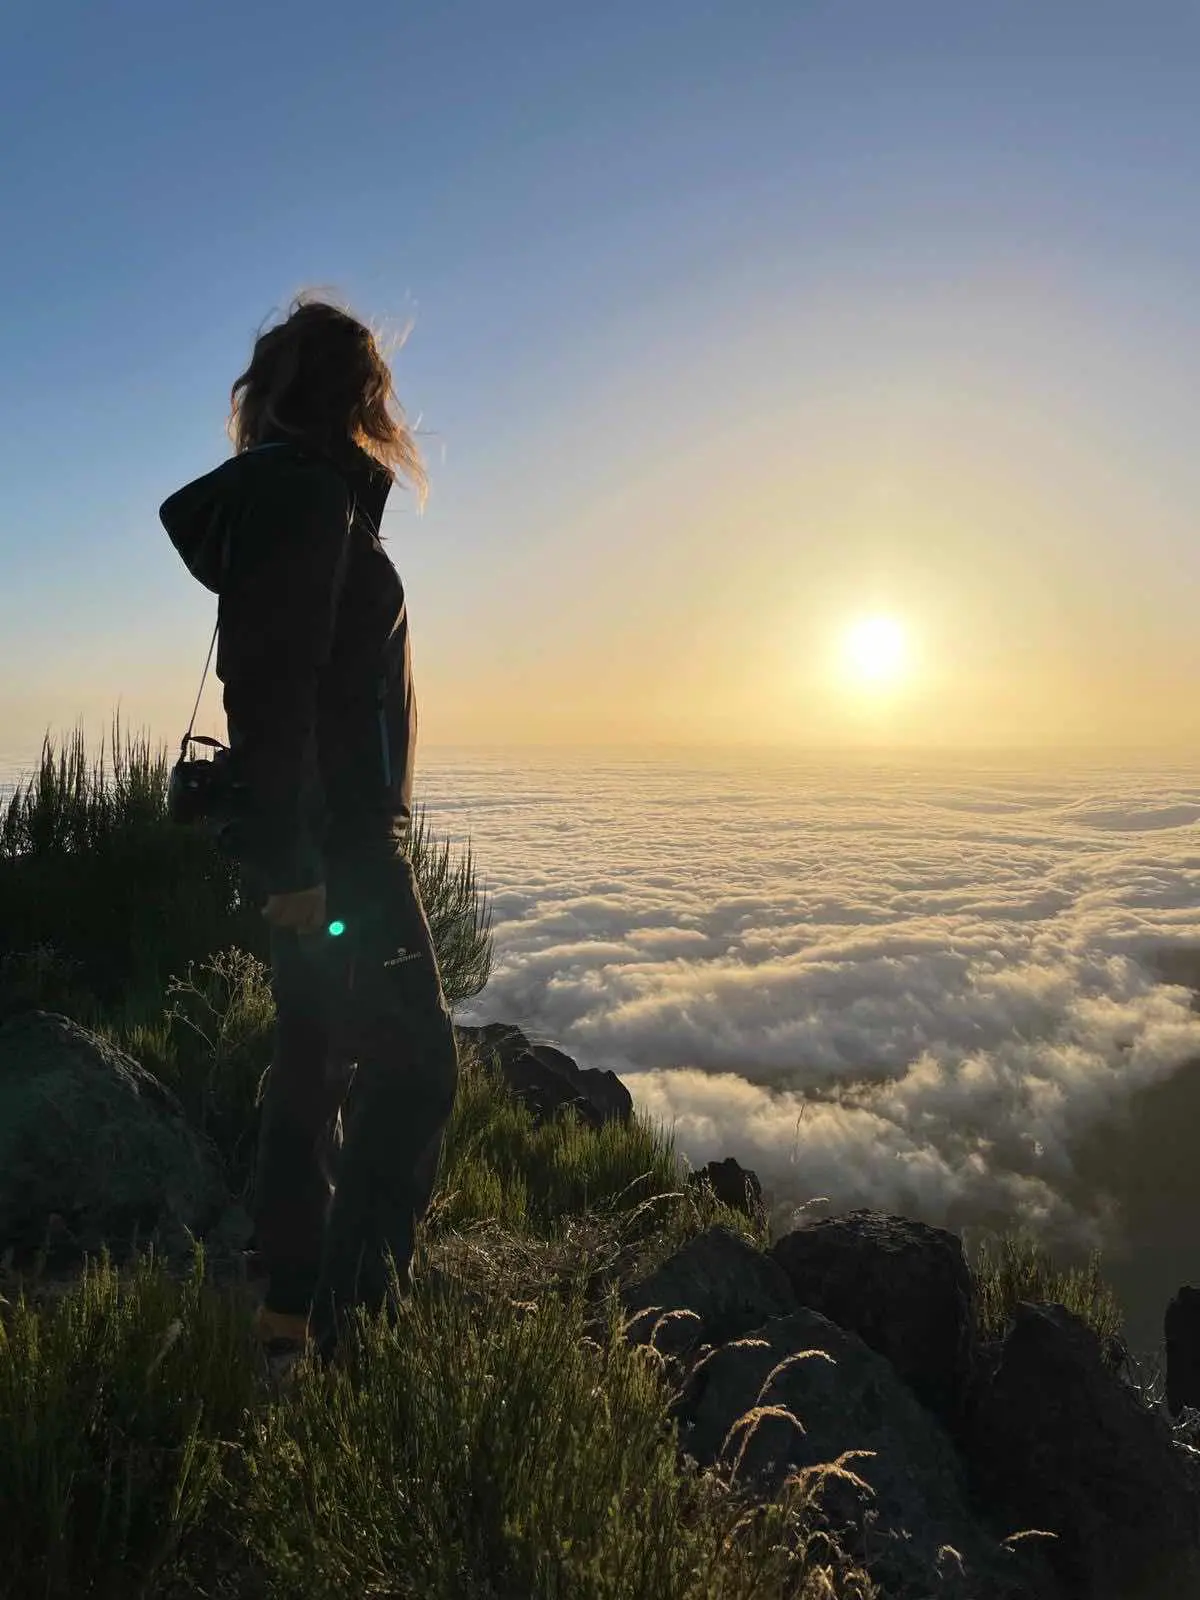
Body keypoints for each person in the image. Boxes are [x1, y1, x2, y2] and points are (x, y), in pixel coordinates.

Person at [160, 295, 459, 1372]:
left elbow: (284, 678)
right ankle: (358, 1332)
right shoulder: (305, 497)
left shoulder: (303, 495)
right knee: (416, 1069)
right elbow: (272, 689)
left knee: (314, 1052)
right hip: (341, 852)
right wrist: (300, 868)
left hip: (319, 843)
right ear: (352, 392)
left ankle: (290, 1304)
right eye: (373, 383)